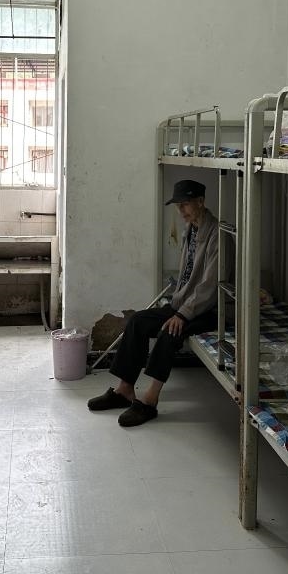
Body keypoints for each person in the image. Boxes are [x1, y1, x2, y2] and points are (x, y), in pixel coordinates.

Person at [87, 179, 229, 427]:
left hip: (210, 309)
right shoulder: (191, 229)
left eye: (185, 204)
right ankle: (125, 390)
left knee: (169, 331)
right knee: (138, 321)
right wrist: (177, 305)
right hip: (186, 304)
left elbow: (210, 287)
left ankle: (150, 400)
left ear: (201, 202)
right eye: (178, 206)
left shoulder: (218, 235)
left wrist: (182, 314)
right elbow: (188, 275)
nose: (181, 211)